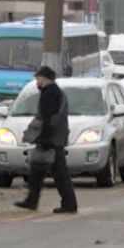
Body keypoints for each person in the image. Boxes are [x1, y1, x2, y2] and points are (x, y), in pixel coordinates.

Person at [15, 66, 78, 214]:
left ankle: (69, 204)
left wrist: (44, 139)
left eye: (38, 79)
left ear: (45, 79)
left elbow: (49, 119)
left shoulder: (50, 94)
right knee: (37, 171)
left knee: (60, 174)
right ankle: (31, 200)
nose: (37, 82)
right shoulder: (54, 92)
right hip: (54, 138)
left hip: (52, 140)